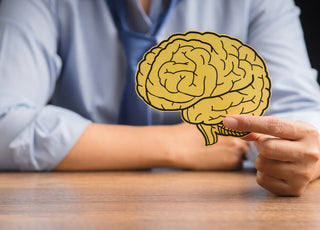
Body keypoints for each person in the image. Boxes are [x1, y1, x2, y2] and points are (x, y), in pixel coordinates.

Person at [0, 0, 320, 196]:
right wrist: (175, 144)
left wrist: (297, 153)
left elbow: (302, 115)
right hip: (68, 207)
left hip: (217, 210)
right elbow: (5, 123)